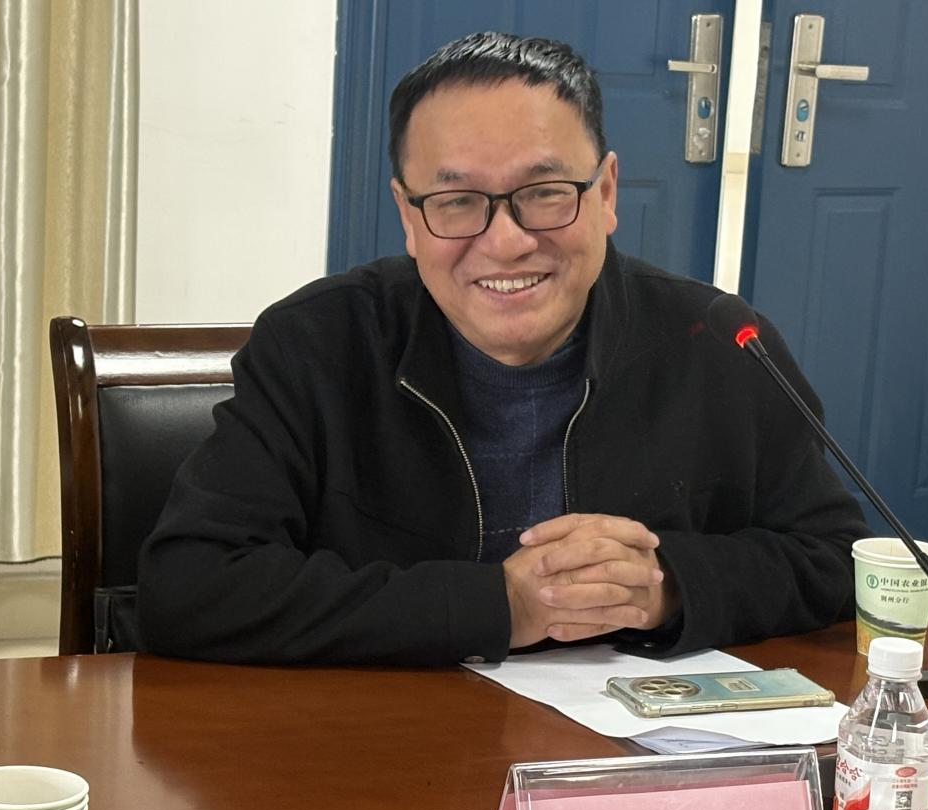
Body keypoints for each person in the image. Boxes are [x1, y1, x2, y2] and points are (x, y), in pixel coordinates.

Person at [136, 32, 869, 665]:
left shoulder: (718, 342)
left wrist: (668, 584)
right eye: (456, 201)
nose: (507, 240)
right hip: (389, 747)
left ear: (607, 193)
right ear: (408, 216)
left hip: (631, 760)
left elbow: (839, 559)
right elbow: (190, 585)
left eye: (545, 192)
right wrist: (499, 605)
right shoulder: (315, 344)